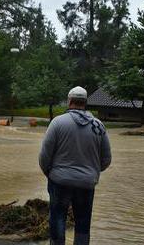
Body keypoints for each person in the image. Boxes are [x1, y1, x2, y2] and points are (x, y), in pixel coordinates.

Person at [39, 86, 111, 245]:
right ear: (85, 103)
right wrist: (91, 172)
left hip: (59, 181)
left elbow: (44, 156)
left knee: (57, 218)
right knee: (83, 222)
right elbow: (106, 159)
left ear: (69, 101)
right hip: (86, 183)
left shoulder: (57, 122)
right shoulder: (99, 126)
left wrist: (50, 173)